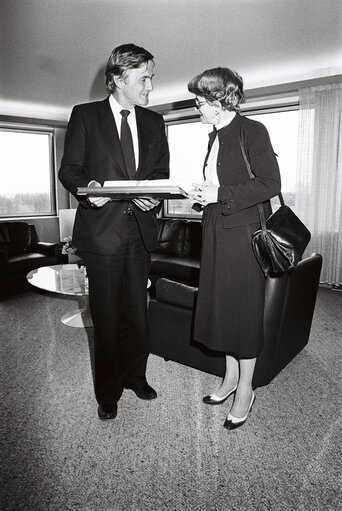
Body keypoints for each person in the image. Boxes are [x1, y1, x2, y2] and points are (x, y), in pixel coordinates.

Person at [59, 43, 169, 420]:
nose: (150, 87)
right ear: (118, 79)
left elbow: (158, 175)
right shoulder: (85, 116)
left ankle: (136, 377)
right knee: (105, 318)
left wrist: (153, 197)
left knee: (138, 314)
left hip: (140, 234)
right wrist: (91, 191)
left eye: (151, 77)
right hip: (102, 234)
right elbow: (69, 170)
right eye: (144, 78)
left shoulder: (155, 123)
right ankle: (107, 392)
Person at [188, 67, 281, 430]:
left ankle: (246, 388)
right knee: (222, 308)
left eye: (200, 101)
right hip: (215, 229)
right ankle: (229, 379)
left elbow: (270, 183)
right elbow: (219, 184)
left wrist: (219, 195)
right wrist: (202, 197)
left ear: (217, 100)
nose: (197, 106)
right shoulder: (215, 137)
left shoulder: (252, 131)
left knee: (241, 311)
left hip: (243, 234)